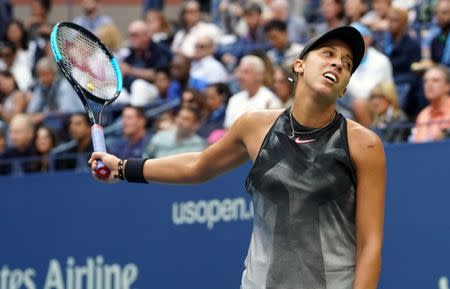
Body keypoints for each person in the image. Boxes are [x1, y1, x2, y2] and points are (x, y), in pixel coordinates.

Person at [89, 26, 385, 289]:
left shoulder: (364, 145)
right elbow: (198, 166)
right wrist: (124, 167)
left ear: (345, 86)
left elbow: (370, 243)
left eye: (347, 64)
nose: (337, 62)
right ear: (299, 65)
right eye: (328, 53)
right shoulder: (254, 126)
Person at [412, 65, 450, 143]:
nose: (429, 85)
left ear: (448, 86)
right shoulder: (423, 115)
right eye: (426, 81)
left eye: (435, 80)